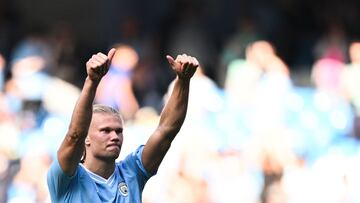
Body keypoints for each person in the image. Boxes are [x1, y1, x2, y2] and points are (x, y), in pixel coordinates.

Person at [47, 48, 199, 203]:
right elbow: (74, 136)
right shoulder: (65, 178)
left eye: (118, 131)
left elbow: (166, 131)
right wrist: (92, 82)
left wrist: (183, 81)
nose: (115, 137)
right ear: (87, 138)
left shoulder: (132, 172)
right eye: (105, 131)